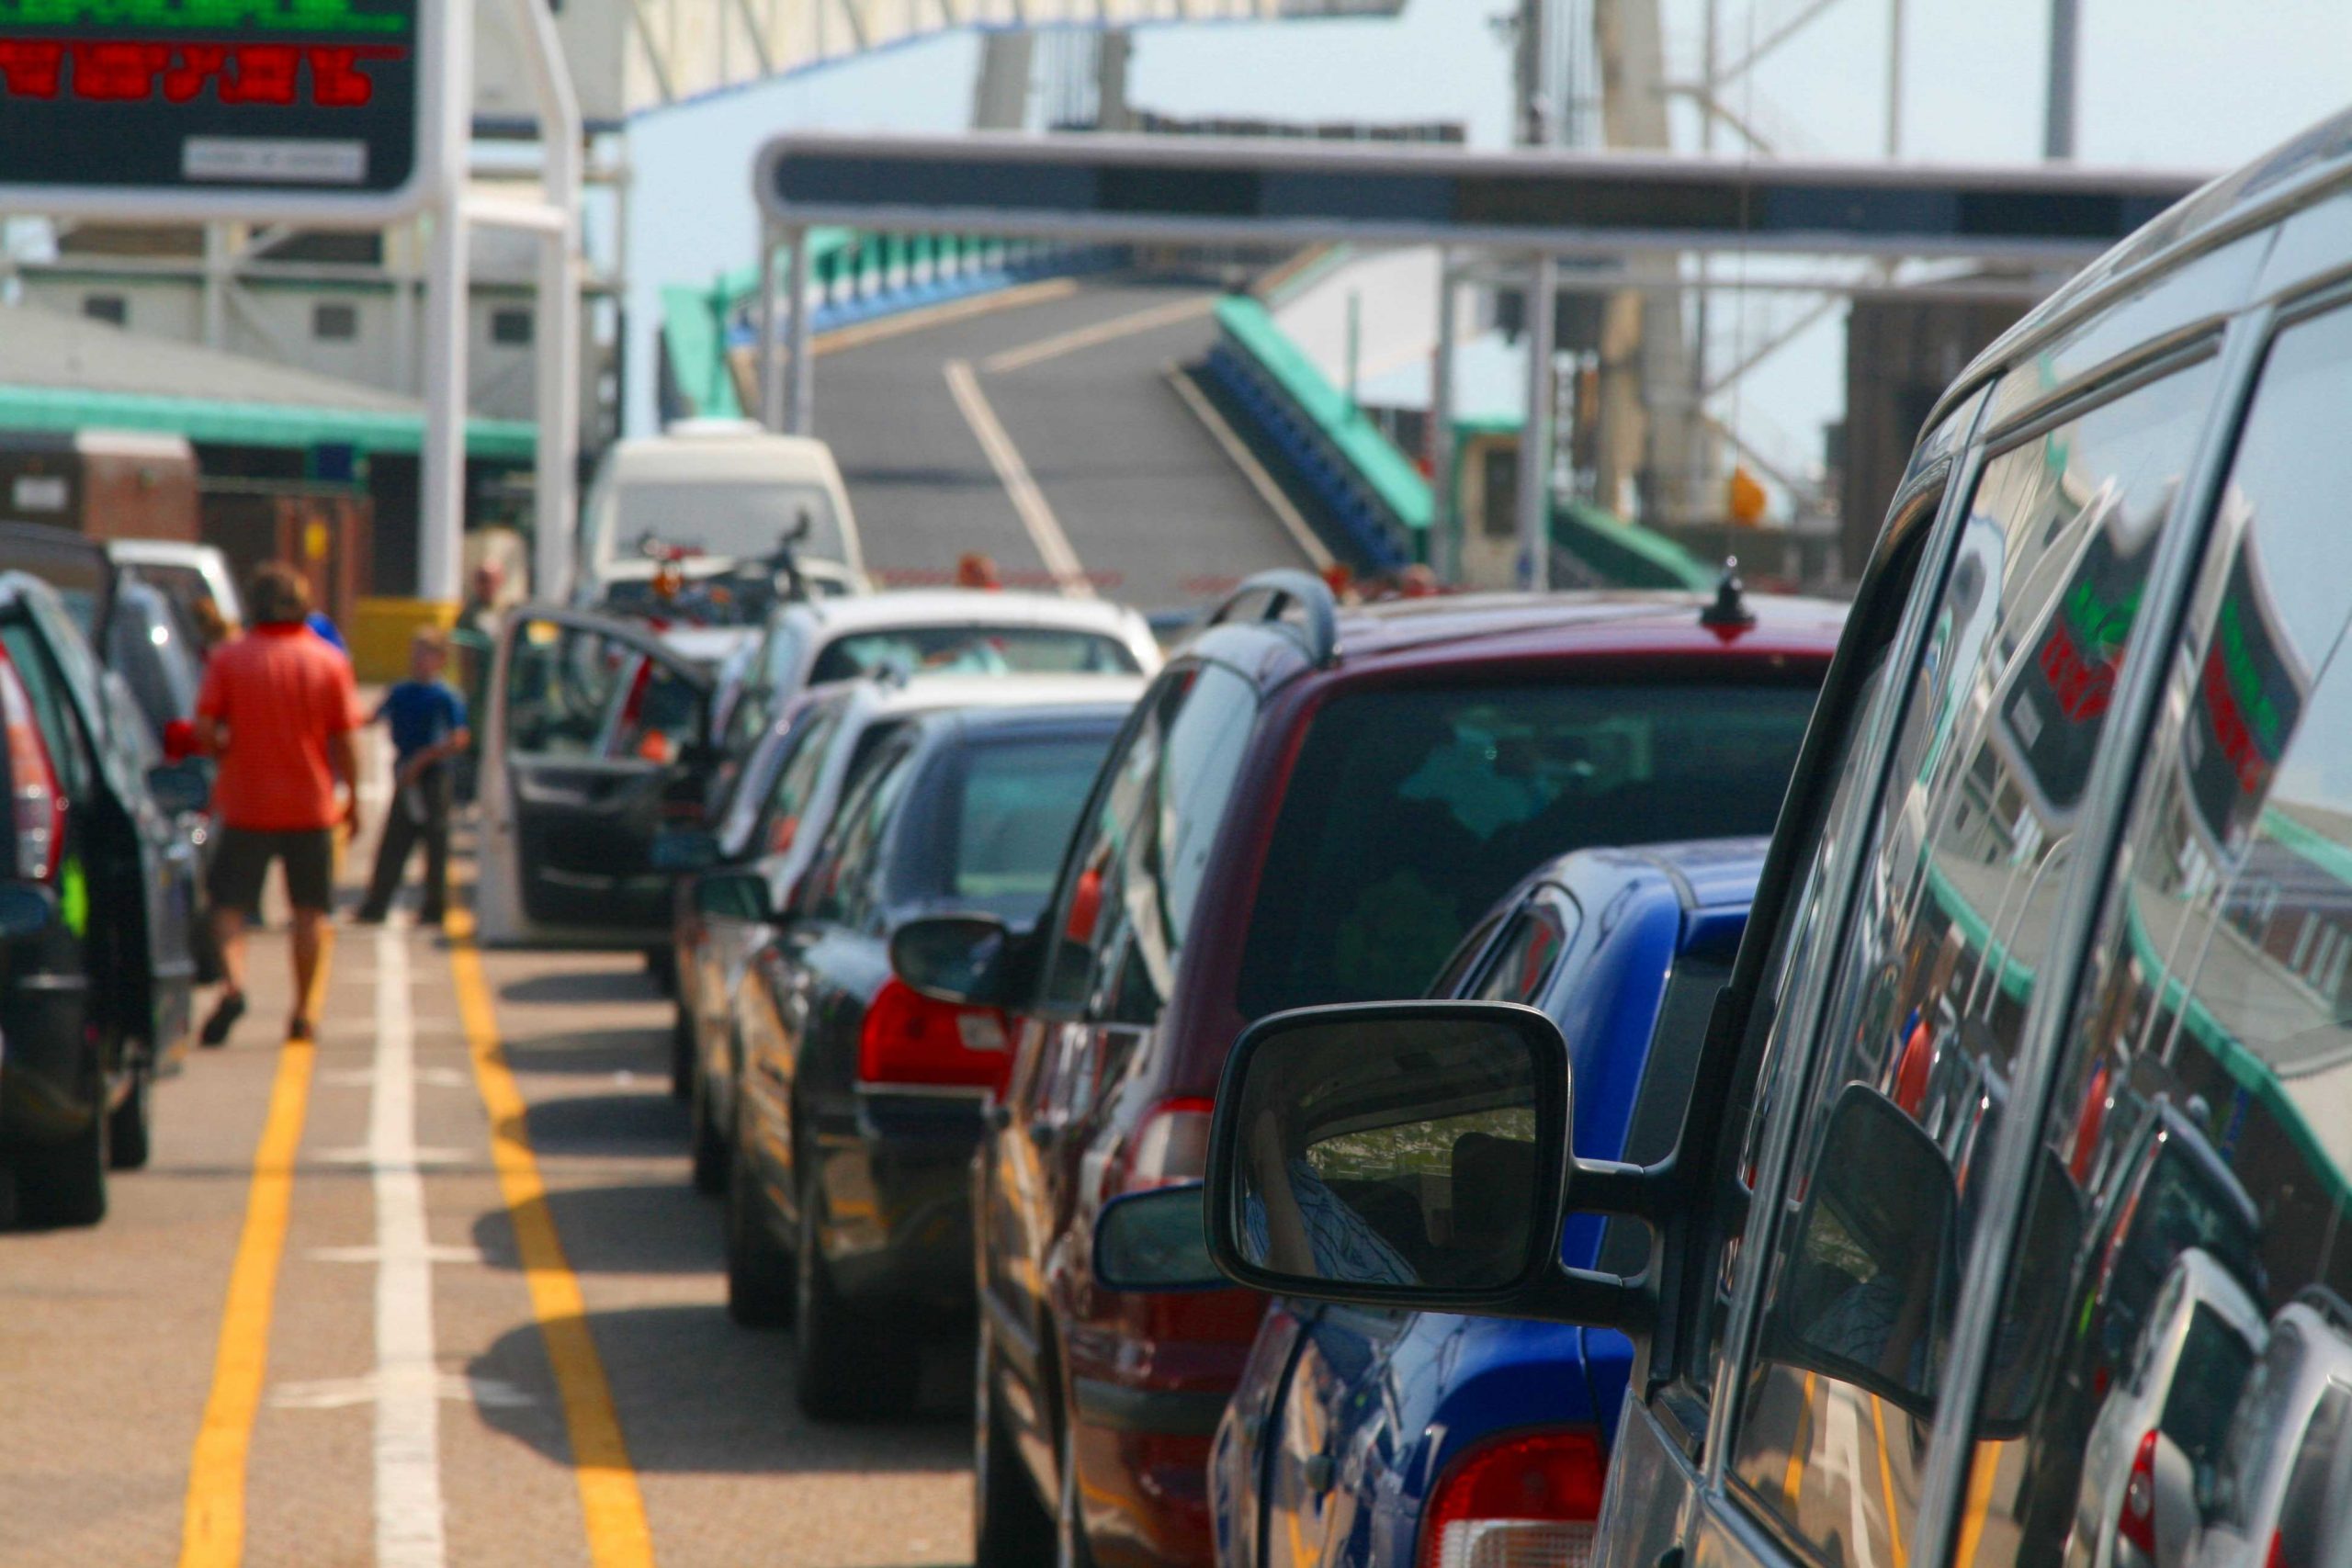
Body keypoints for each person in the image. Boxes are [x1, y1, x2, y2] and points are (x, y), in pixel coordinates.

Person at [196, 564, 361, 1046]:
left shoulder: (229, 659)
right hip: (310, 804)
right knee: (310, 912)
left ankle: (233, 984)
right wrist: (352, 799)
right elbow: (346, 740)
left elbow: (205, 728)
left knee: (229, 906)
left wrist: (226, 752)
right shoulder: (328, 661)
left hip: (245, 801)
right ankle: (303, 1011)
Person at [356, 626, 470, 926]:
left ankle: (435, 908)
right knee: (395, 840)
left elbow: (458, 739)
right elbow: (371, 718)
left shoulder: (445, 696)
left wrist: (423, 759)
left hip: (433, 775)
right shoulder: (401, 691)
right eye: (415, 653)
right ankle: (375, 905)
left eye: (425, 654)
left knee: (436, 842)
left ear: (440, 659)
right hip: (406, 771)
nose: (418, 659)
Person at [462, 559, 506, 639]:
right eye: (482, 580)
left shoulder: (509, 610)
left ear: (500, 580)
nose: (486, 586)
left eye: (490, 581)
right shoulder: (467, 611)